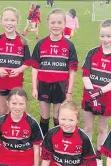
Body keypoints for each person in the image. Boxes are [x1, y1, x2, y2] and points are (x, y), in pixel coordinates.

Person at [81, 19, 111, 166]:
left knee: (102, 129)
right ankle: (86, 155)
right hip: (89, 96)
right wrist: (91, 94)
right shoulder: (92, 52)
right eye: (102, 36)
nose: (105, 39)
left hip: (106, 99)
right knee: (88, 127)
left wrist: (99, 92)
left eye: (109, 36)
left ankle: (98, 158)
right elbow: (86, 75)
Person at [31, 8, 79, 136]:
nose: (56, 26)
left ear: (64, 24)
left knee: (58, 117)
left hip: (60, 86)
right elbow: (35, 67)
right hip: (44, 85)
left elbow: (73, 70)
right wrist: (34, 88)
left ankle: (57, 140)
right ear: (48, 24)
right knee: (44, 116)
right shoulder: (41, 44)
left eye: (59, 23)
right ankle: (43, 141)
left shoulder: (69, 45)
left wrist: (69, 92)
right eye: (53, 22)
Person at [0, 88, 43, 166]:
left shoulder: (32, 123)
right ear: (7, 103)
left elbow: (36, 148)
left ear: (26, 104)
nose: (17, 107)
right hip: (6, 160)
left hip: (25, 161)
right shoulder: (1, 121)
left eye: (21, 104)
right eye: (14, 103)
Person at [0, 7, 31, 120]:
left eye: (12, 20)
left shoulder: (23, 41)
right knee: (2, 111)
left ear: (17, 22)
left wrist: (18, 70)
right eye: (6, 20)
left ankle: (11, 134)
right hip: (1, 81)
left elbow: (27, 62)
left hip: (16, 82)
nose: (9, 23)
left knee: (13, 110)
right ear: (1, 21)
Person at [40, 100, 97, 166]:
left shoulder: (83, 138)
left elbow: (88, 163)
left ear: (77, 120)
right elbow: (46, 159)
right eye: (63, 119)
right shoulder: (51, 134)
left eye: (71, 120)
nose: (67, 123)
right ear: (58, 117)